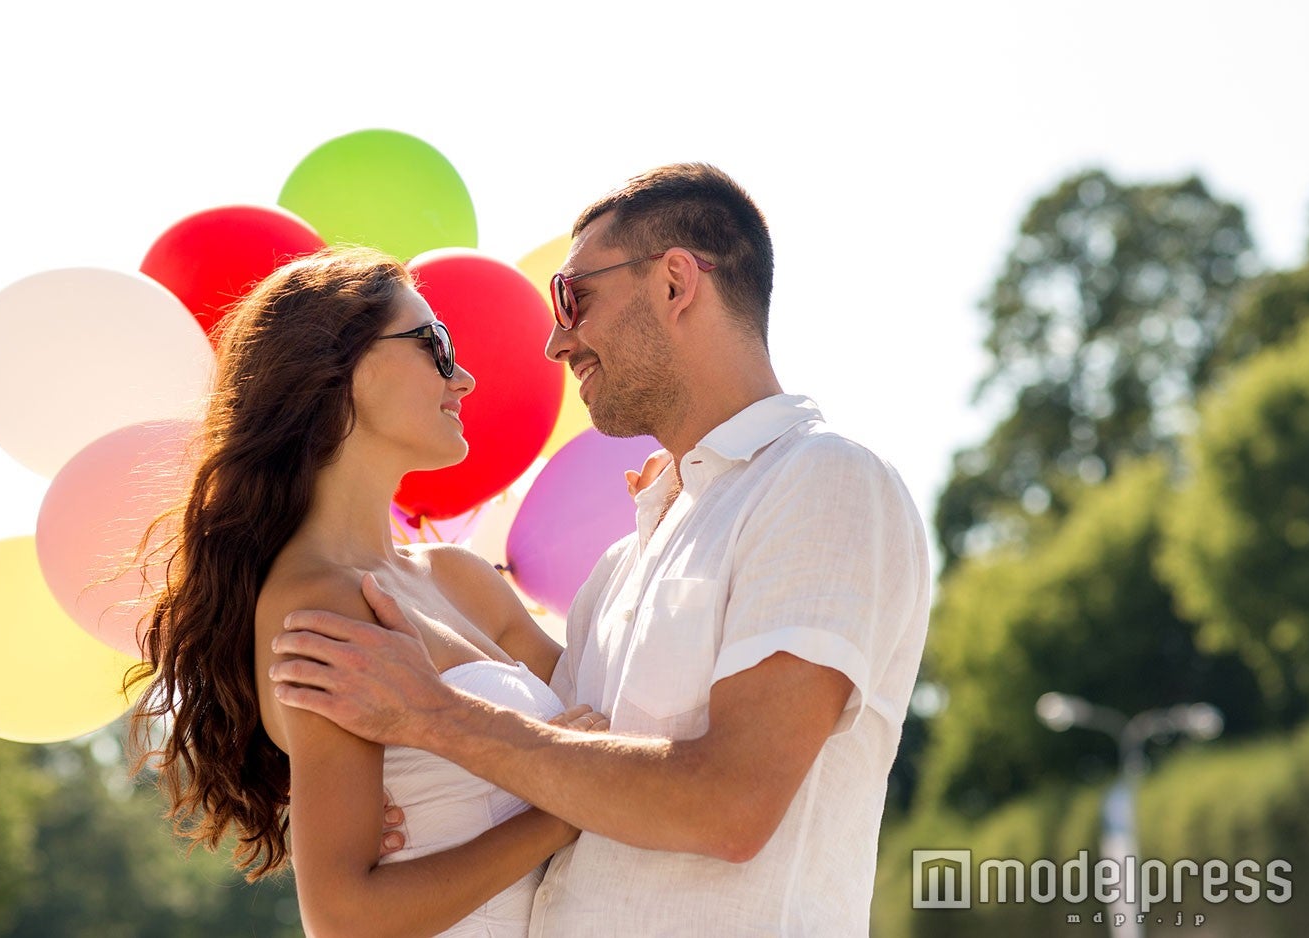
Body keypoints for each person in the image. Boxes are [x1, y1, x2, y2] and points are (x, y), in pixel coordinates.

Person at [268, 163, 933, 936]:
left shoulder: (822, 481)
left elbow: (731, 807)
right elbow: (561, 762)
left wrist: (435, 720)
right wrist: (418, 800)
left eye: (574, 299)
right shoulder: (623, 566)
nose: (556, 341)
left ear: (677, 283)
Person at [124, 247, 613, 938]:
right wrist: (563, 810)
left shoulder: (460, 578)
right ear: (335, 372)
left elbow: (612, 710)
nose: (464, 377)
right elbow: (345, 917)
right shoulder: (317, 605)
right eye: (434, 344)